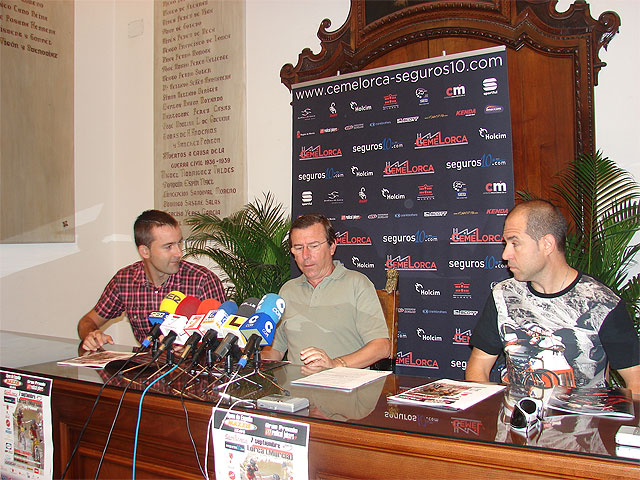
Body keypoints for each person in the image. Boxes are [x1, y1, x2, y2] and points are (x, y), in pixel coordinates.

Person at [466, 200, 640, 395]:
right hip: (517, 414)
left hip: (581, 413)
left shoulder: (602, 303)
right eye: (506, 244)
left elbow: (636, 382)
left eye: (515, 243)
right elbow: (479, 366)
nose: (506, 254)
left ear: (547, 244)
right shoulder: (503, 295)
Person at [78, 209, 225, 351]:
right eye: (168, 247)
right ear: (145, 251)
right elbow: (87, 322)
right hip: (145, 365)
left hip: (190, 366)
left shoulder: (203, 281)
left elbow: (221, 343)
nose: (179, 253)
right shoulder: (124, 280)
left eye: (179, 243)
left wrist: (191, 347)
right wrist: (92, 335)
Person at [262, 214, 390, 368]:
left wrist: (335, 364)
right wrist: (245, 354)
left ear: (332, 247)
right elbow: (275, 352)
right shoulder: (287, 291)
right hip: (296, 382)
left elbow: (382, 347)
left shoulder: (357, 284)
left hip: (344, 381)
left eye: (313, 246)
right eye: (299, 248)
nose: (305, 255)